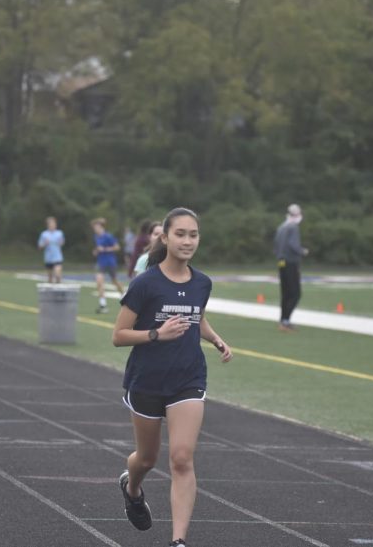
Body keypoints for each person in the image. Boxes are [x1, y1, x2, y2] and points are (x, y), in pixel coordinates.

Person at [112, 207, 233, 547]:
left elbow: (197, 318)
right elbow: (119, 335)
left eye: (193, 235)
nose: (187, 241)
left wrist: (216, 339)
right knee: (146, 459)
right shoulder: (145, 283)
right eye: (180, 234)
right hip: (146, 380)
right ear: (165, 238)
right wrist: (155, 334)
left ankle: (178, 541)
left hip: (188, 379)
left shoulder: (202, 282)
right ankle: (132, 488)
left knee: (181, 458)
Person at [273, 203, 308, 331]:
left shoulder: (281, 227)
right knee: (295, 293)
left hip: (281, 262)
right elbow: (293, 245)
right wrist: (302, 251)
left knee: (285, 293)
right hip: (291, 262)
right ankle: (286, 320)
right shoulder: (293, 227)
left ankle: (283, 320)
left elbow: (276, 246)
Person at [92, 218, 124, 313]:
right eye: (94, 228)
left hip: (110, 262)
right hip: (100, 262)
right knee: (99, 281)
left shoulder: (108, 236)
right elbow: (98, 248)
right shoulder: (96, 237)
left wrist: (105, 249)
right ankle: (103, 305)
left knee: (114, 281)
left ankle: (124, 296)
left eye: (96, 227)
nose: (95, 229)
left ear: (101, 227)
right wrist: (96, 251)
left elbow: (117, 247)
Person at [38, 216, 65, 283]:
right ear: (48, 225)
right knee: (50, 277)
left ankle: (59, 288)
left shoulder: (59, 233)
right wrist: (45, 243)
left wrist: (60, 242)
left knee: (57, 274)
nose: (53, 225)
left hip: (57, 257)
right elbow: (40, 246)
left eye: (54, 224)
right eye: (51, 224)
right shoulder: (44, 234)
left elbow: (62, 243)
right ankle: (50, 291)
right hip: (48, 258)